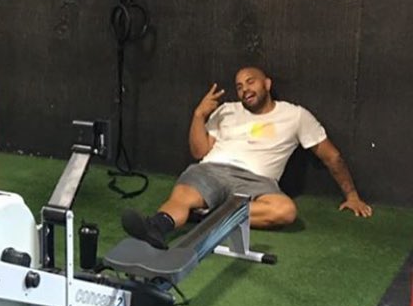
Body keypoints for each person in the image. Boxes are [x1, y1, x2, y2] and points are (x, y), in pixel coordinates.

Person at [121, 66, 373, 249]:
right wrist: (199, 116)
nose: (244, 90)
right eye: (239, 86)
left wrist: (352, 196)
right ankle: (157, 227)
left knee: (285, 211)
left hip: (258, 182)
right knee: (182, 198)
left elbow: (332, 156)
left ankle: (206, 215)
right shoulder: (226, 110)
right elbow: (199, 152)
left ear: (267, 84)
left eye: (250, 82)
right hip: (212, 170)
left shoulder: (295, 116)